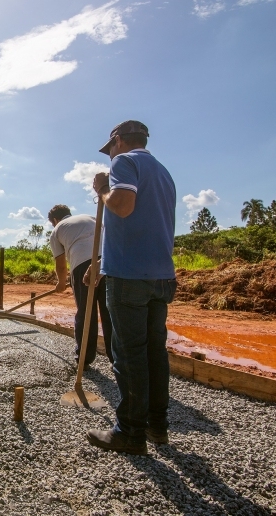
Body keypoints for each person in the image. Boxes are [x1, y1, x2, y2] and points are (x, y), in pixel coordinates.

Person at [85, 120, 177, 455]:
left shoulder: (124, 162)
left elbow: (123, 206)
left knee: (129, 355)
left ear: (119, 141)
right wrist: (99, 262)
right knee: (155, 353)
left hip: (129, 277)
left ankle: (130, 433)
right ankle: (156, 425)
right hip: (160, 276)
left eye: (110, 148)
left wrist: (102, 189)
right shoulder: (163, 172)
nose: (110, 154)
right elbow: (139, 224)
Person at [47, 204, 113, 370]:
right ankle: (117, 359)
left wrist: (61, 283)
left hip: (82, 266)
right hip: (108, 263)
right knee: (110, 312)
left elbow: (61, 265)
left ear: (55, 220)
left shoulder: (57, 230)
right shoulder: (90, 217)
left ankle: (84, 359)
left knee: (86, 313)